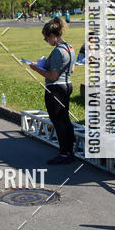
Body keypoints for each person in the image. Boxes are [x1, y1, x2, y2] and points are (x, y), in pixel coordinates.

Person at [28, 16, 76, 164]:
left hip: (55, 89)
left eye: (46, 38)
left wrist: (36, 68)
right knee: (65, 120)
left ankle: (64, 153)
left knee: (58, 121)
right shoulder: (69, 47)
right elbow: (71, 69)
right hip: (67, 85)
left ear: (53, 36)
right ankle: (69, 150)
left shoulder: (57, 51)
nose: (46, 41)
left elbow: (53, 76)